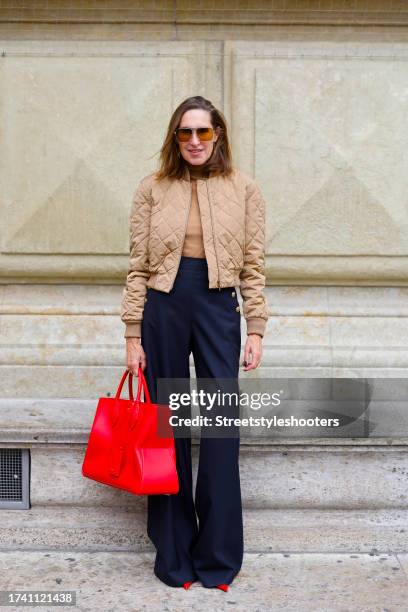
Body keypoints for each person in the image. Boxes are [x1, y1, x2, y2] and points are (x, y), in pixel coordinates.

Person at [120, 95, 268, 592]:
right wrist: (132, 333)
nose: (195, 142)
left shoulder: (244, 189)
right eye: (186, 133)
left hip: (218, 305)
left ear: (218, 135)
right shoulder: (152, 189)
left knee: (222, 430)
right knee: (169, 429)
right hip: (165, 305)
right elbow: (138, 266)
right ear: (175, 138)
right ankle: (174, 555)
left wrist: (256, 328)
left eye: (203, 132)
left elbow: (253, 265)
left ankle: (219, 558)